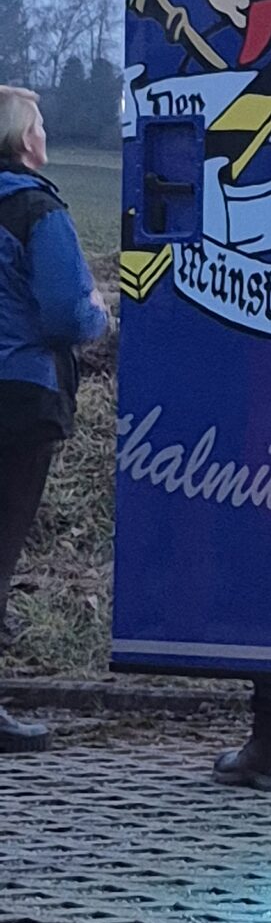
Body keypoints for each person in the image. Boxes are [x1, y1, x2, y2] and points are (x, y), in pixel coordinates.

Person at [0, 86, 110, 753]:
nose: (46, 133)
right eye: (39, 124)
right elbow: (67, 313)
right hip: (19, 397)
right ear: (23, 140)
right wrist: (100, 314)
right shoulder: (37, 211)